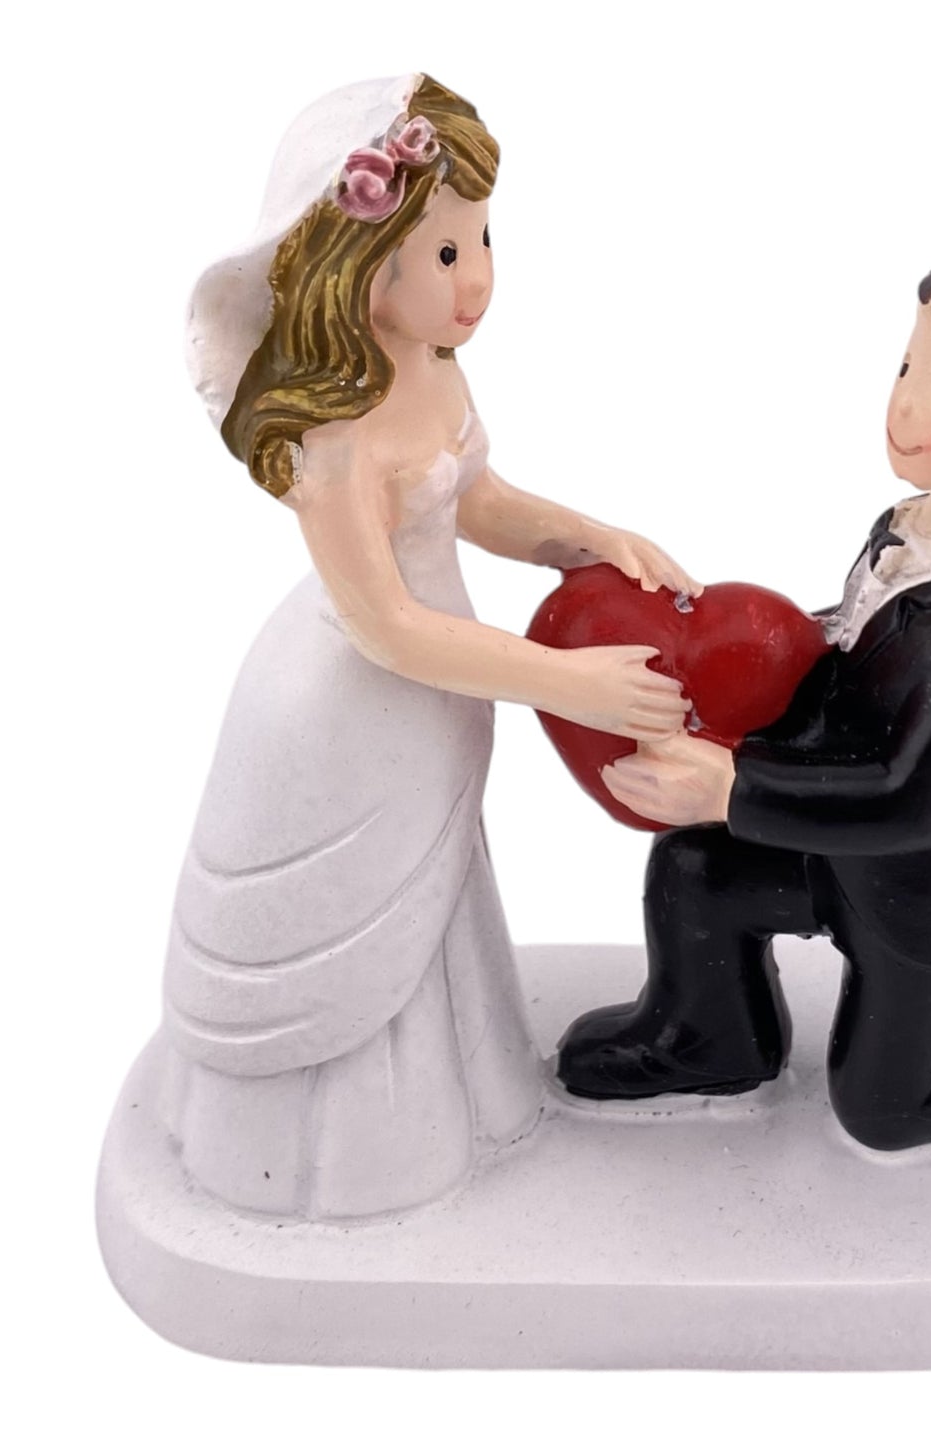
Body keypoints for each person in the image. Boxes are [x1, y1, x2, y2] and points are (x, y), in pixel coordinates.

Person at [160, 74, 697, 1218]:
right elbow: (388, 627)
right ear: (363, 268)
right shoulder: (334, 439)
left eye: (483, 241)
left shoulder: (435, 370)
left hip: (438, 695)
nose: (478, 279)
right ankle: (344, 1158)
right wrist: (563, 680)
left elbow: (476, 497)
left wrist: (587, 538)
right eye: (447, 254)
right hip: (353, 713)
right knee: (360, 915)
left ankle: (469, 1097)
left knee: (434, 889)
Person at [557, 242, 931, 1151]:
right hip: (827, 850)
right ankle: (712, 1037)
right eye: (908, 370)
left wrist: (732, 787)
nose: (907, 406)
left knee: (885, 1109)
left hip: (916, 899)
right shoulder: (906, 530)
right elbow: (852, 640)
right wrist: (738, 663)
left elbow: (908, 800)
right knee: (697, 870)